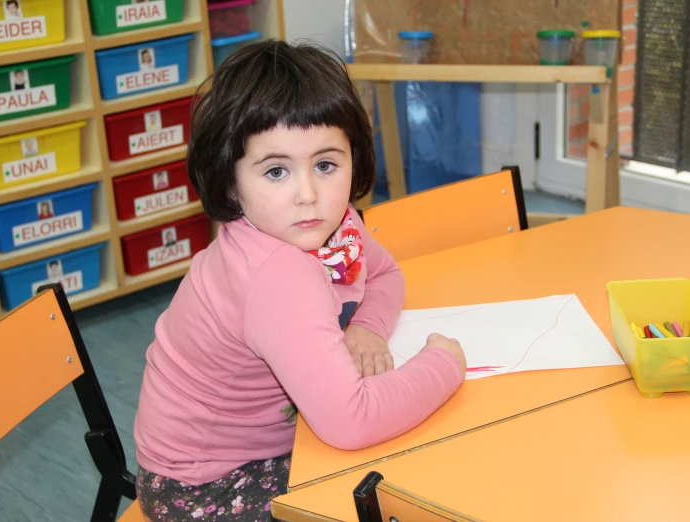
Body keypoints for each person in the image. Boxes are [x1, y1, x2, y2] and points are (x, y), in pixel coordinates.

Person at [133, 40, 466, 521]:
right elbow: (350, 421)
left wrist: (366, 328)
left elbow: (386, 273)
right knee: (402, 490)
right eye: (275, 171)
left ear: (354, 161)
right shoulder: (277, 273)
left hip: (277, 438)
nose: (308, 194)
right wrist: (445, 365)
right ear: (231, 182)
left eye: (326, 165)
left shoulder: (336, 224)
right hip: (206, 484)